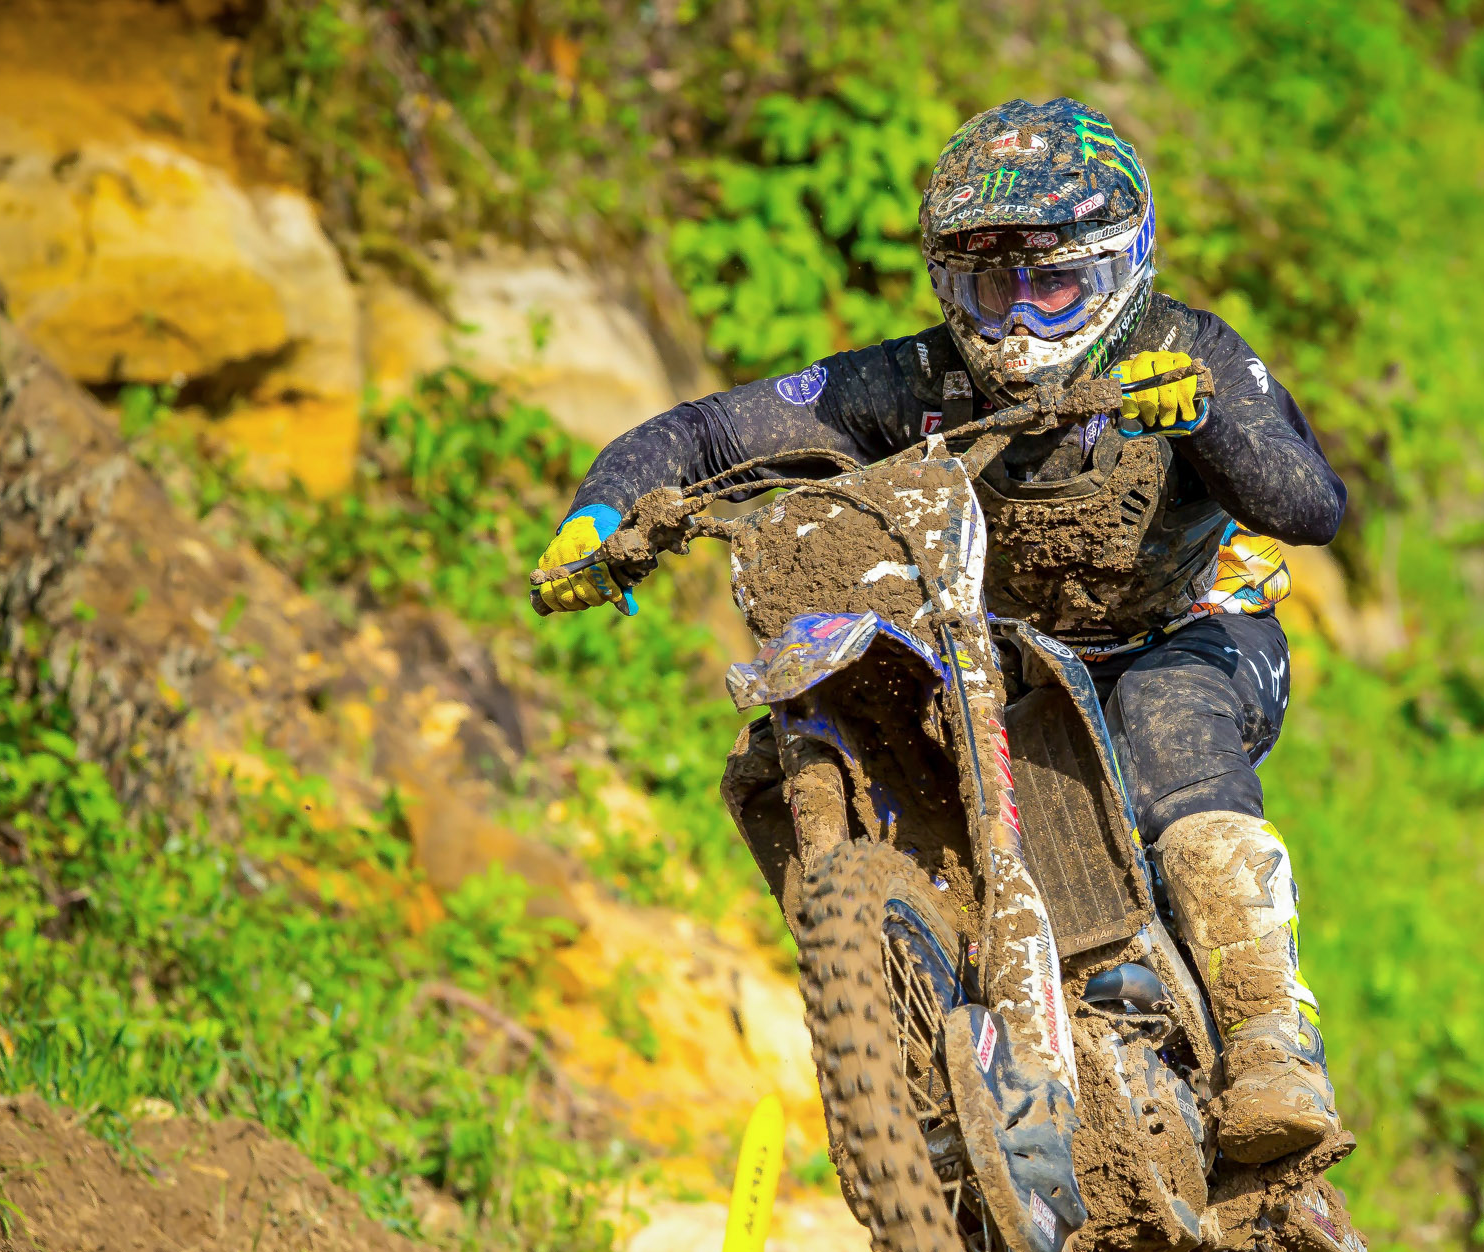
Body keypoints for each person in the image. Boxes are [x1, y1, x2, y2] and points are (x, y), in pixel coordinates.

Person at [533, 98, 1344, 1165]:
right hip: (1007, 657)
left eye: (1054, 286)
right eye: (991, 288)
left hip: (1188, 631)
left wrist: (1201, 416)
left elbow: (1309, 504)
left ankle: (1270, 1040)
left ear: (1119, 268)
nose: (1020, 322)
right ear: (947, 284)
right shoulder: (919, 381)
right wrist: (604, 511)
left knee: (1167, 722)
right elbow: (714, 431)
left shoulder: (1185, 349)